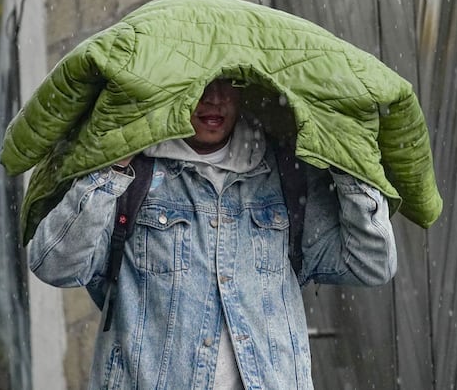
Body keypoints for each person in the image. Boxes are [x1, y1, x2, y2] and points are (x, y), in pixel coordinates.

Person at [27, 78, 397, 389]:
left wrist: (351, 169)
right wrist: (110, 168)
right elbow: (54, 264)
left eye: (229, 84)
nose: (214, 98)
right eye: (200, 84)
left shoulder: (285, 173)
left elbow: (372, 264)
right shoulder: (132, 175)